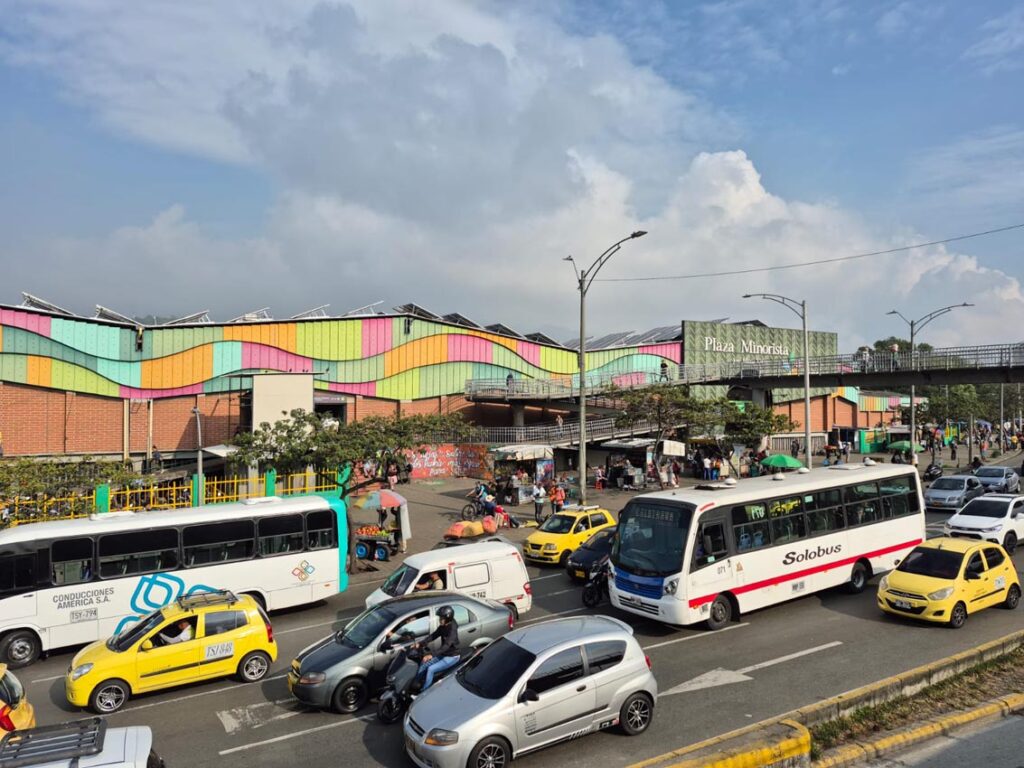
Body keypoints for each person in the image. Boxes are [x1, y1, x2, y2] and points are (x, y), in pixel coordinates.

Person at [416, 605, 460, 691]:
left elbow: (446, 646)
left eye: (441, 618)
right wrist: (421, 644)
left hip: (451, 656)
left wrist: (431, 655)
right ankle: (416, 683)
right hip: (443, 654)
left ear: (448, 618)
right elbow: (434, 635)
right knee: (424, 662)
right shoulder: (443, 626)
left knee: (431, 669)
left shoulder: (452, 630)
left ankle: (424, 691)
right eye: (440, 617)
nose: (439, 620)